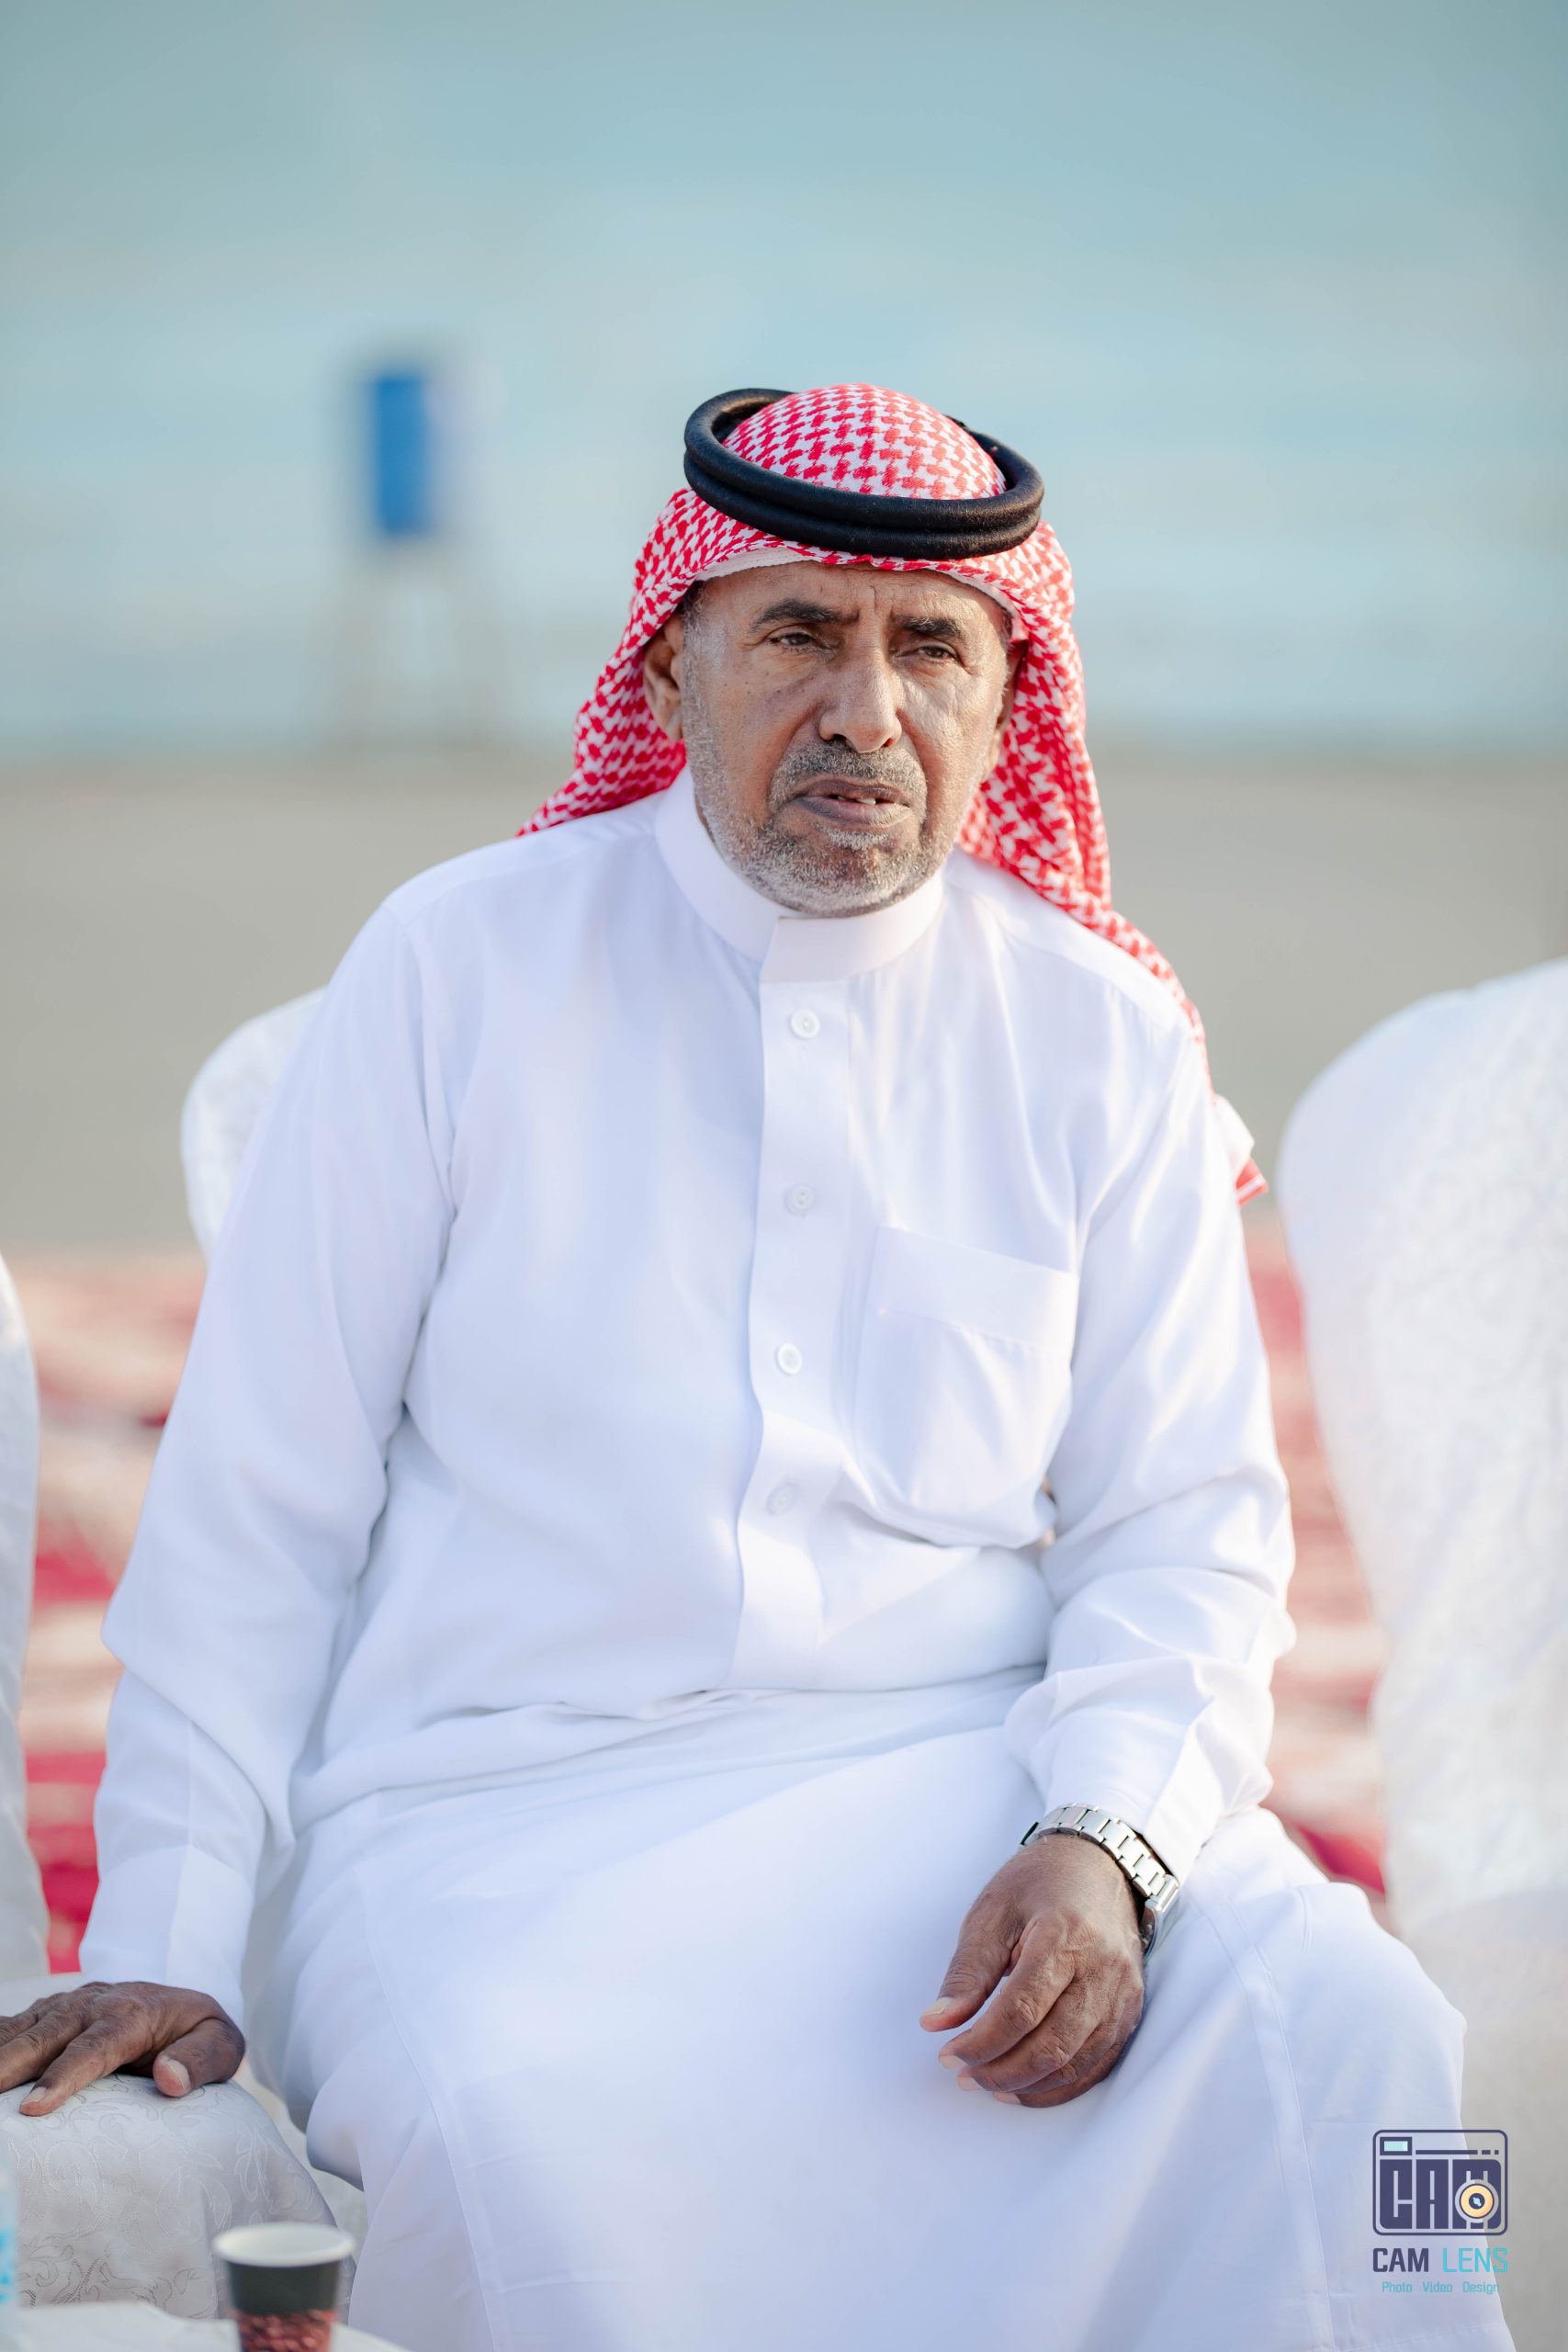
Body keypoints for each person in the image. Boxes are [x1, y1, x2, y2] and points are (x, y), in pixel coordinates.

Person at [0, 387, 1510, 2352]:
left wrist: (1107, 1837)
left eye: (929, 649)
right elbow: (252, 1511)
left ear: (1004, 702)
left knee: (1364, 2037)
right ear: (673, 663)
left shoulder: (1099, 1034)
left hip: (977, 1794)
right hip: (495, 1811)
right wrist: (169, 1942)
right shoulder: (456, 971)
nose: (865, 712)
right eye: (798, 633)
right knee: (509, 2131)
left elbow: (1187, 1527)